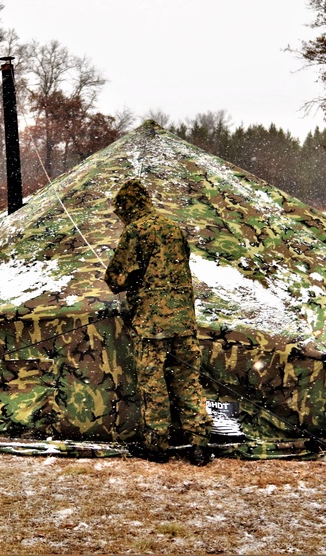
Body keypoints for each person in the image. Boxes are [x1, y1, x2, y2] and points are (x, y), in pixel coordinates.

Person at [105, 179, 212, 466]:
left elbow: (117, 278)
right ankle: (199, 444)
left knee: (154, 384)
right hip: (184, 321)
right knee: (187, 381)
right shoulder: (174, 229)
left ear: (127, 208)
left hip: (151, 324)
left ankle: (158, 445)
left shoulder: (136, 231)